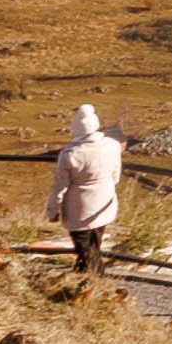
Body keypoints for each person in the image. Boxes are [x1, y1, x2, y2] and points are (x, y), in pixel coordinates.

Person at [47, 101, 123, 271]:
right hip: (104, 201)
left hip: (79, 206)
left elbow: (59, 187)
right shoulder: (112, 146)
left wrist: (53, 211)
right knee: (94, 245)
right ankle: (83, 279)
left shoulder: (70, 154)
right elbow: (115, 174)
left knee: (85, 249)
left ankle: (99, 284)